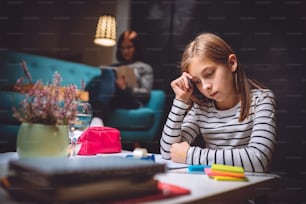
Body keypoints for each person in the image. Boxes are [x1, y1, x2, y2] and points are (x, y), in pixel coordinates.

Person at [160, 33, 276, 173]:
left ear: (231, 63)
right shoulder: (201, 108)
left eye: (209, 73)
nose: (205, 86)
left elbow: (258, 160)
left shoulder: (262, 100)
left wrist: (190, 155)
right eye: (197, 81)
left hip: (248, 189)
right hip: (213, 185)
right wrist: (180, 100)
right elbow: (169, 152)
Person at [88, 30, 153, 122]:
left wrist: (126, 88)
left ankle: (97, 119)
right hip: (113, 98)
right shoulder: (114, 66)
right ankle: (96, 118)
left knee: (106, 77)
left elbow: (146, 93)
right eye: (122, 48)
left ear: (136, 48)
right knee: (102, 77)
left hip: (131, 99)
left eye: (129, 47)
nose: (125, 51)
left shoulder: (145, 68)